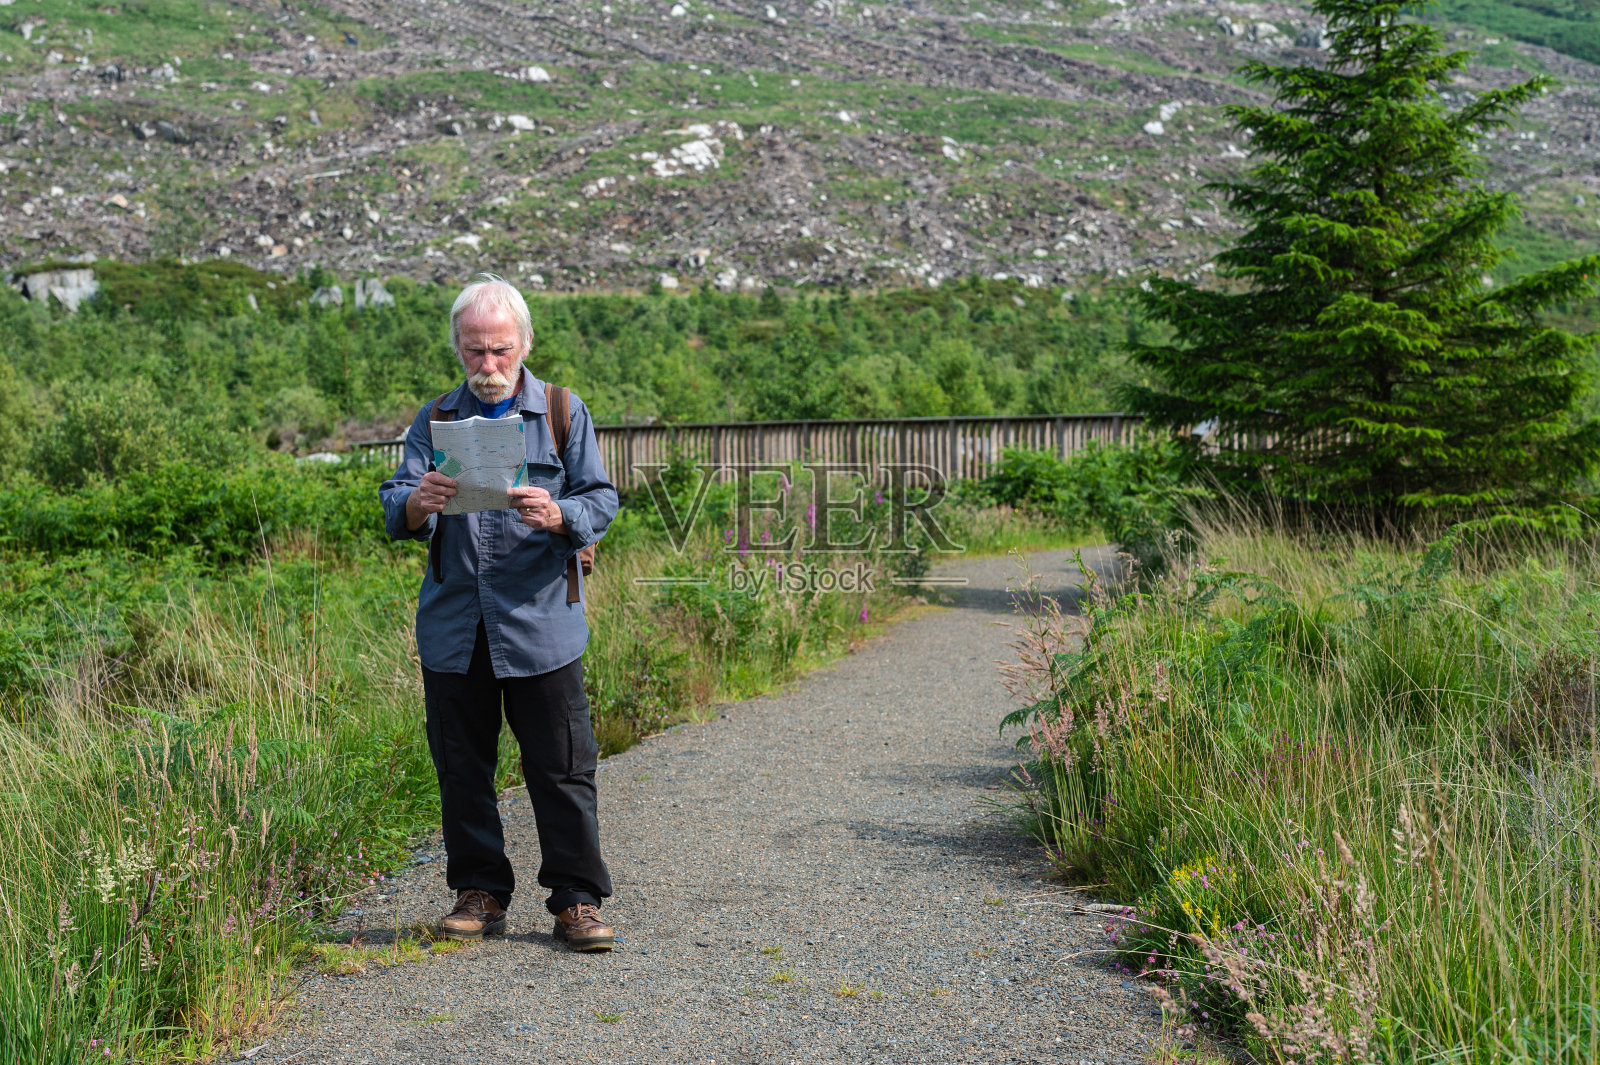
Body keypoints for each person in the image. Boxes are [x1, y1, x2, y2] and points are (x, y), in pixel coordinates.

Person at [379, 274, 619, 951]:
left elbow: (602, 498)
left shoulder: (565, 411)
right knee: (462, 767)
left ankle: (577, 898)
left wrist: (561, 512)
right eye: (474, 351)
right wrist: (418, 502)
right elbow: (395, 502)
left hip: (541, 621)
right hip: (457, 626)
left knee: (562, 767)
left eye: (500, 351)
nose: (487, 365)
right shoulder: (433, 420)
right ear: (457, 348)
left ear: (525, 343)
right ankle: (479, 890)